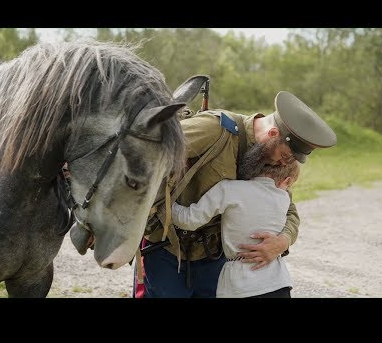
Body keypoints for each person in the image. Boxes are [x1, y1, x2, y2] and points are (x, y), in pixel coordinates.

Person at [141, 90, 337, 298]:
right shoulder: (215, 129)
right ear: (272, 134)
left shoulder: (267, 158)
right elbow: (149, 151)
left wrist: (283, 241)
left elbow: (288, 207)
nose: (284, 163)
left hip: (214, 257)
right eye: (286, 156)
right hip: (168, 251)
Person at [172, 155, 300, 298]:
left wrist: (166, 205)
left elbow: (189, 220)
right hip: (278, 282)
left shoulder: (228, 189)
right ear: (287, 181)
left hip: (240, 286)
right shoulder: (283, 198)